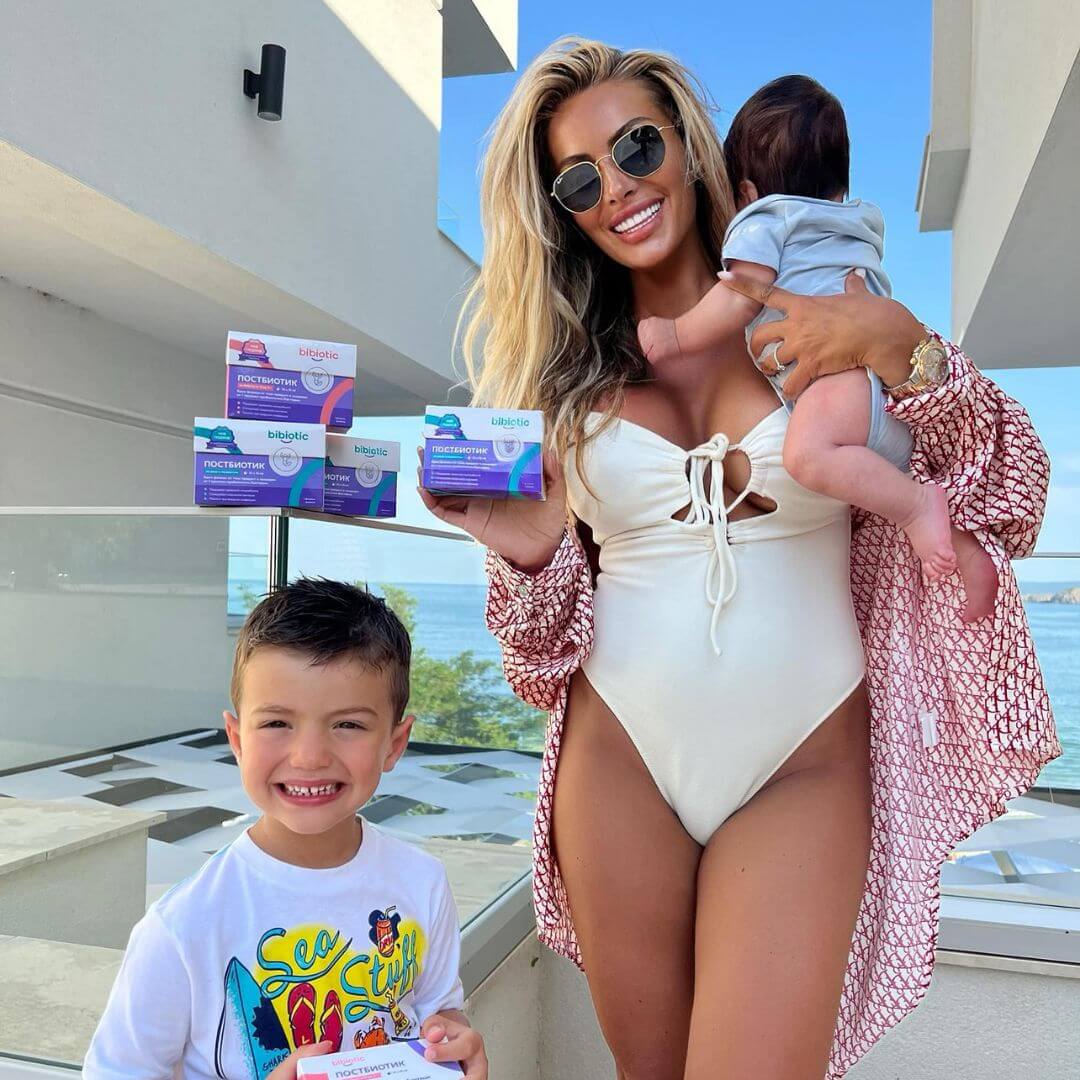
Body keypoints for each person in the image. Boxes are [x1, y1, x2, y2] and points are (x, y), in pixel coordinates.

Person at [419, 37, 1056, 1080]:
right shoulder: (561, 386)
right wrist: (530, 558)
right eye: (579, 180)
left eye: (637, 146)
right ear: (561, 211)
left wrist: (906, 349)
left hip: (805, 755)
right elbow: (538, 659)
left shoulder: (823, 307)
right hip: (619, 757)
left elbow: (1012, 493)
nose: (618, 188)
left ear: (688, 144)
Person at [84, 578, 487, 1080]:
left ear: (395, 743)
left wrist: (453, 1042)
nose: (309, 757)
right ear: (237, 739)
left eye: (348, 725)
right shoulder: (184, 925)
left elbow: (439, 1010)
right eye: (277, 723)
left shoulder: (422, 881)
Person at [637, 74, 997, 621]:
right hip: (880, 396)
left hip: (835, 386)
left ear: (745, 192)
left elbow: (741, 293)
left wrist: (677, 334)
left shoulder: (764, 218)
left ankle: (918, 507)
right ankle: (956, 541)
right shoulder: (856, 222)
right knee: (889, 488)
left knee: (808, 458)